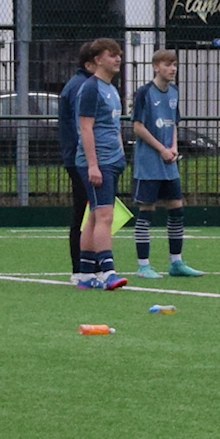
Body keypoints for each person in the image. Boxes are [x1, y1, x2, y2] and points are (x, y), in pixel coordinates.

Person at [128, 49, 201, 279]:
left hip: (169, 163)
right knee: (146, 210)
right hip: (149, 163)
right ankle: (143, 266)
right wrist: (161, 149)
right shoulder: (144, 93)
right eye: (168, 65)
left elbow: (174, 122)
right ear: (156, 67)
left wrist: (174, 147)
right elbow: (138, 127)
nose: (173, 69)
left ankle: (176, 263)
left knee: (176, 208)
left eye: (174, 65)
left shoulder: (174, 92)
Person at [73, 38, 129, 290]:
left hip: (111, 159)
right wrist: (93, 165)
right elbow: (85, 127)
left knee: (95, 216)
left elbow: (114, 126)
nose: (117, 59)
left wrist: (119, 154)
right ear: (97, 60)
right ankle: (107, 271)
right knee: (105, 215)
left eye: (118, 54)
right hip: (98, 161)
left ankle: (85, 275)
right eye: (111, 55)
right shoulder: (91, 88)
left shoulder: (111, 89)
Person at [57, 55, 93, 283]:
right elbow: (83, 126)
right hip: (79, 158)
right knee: (86, 212)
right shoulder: (82, 87)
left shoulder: (79, 84)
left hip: (76, 156)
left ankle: (87, 265)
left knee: (89, 211)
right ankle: (82, 267)